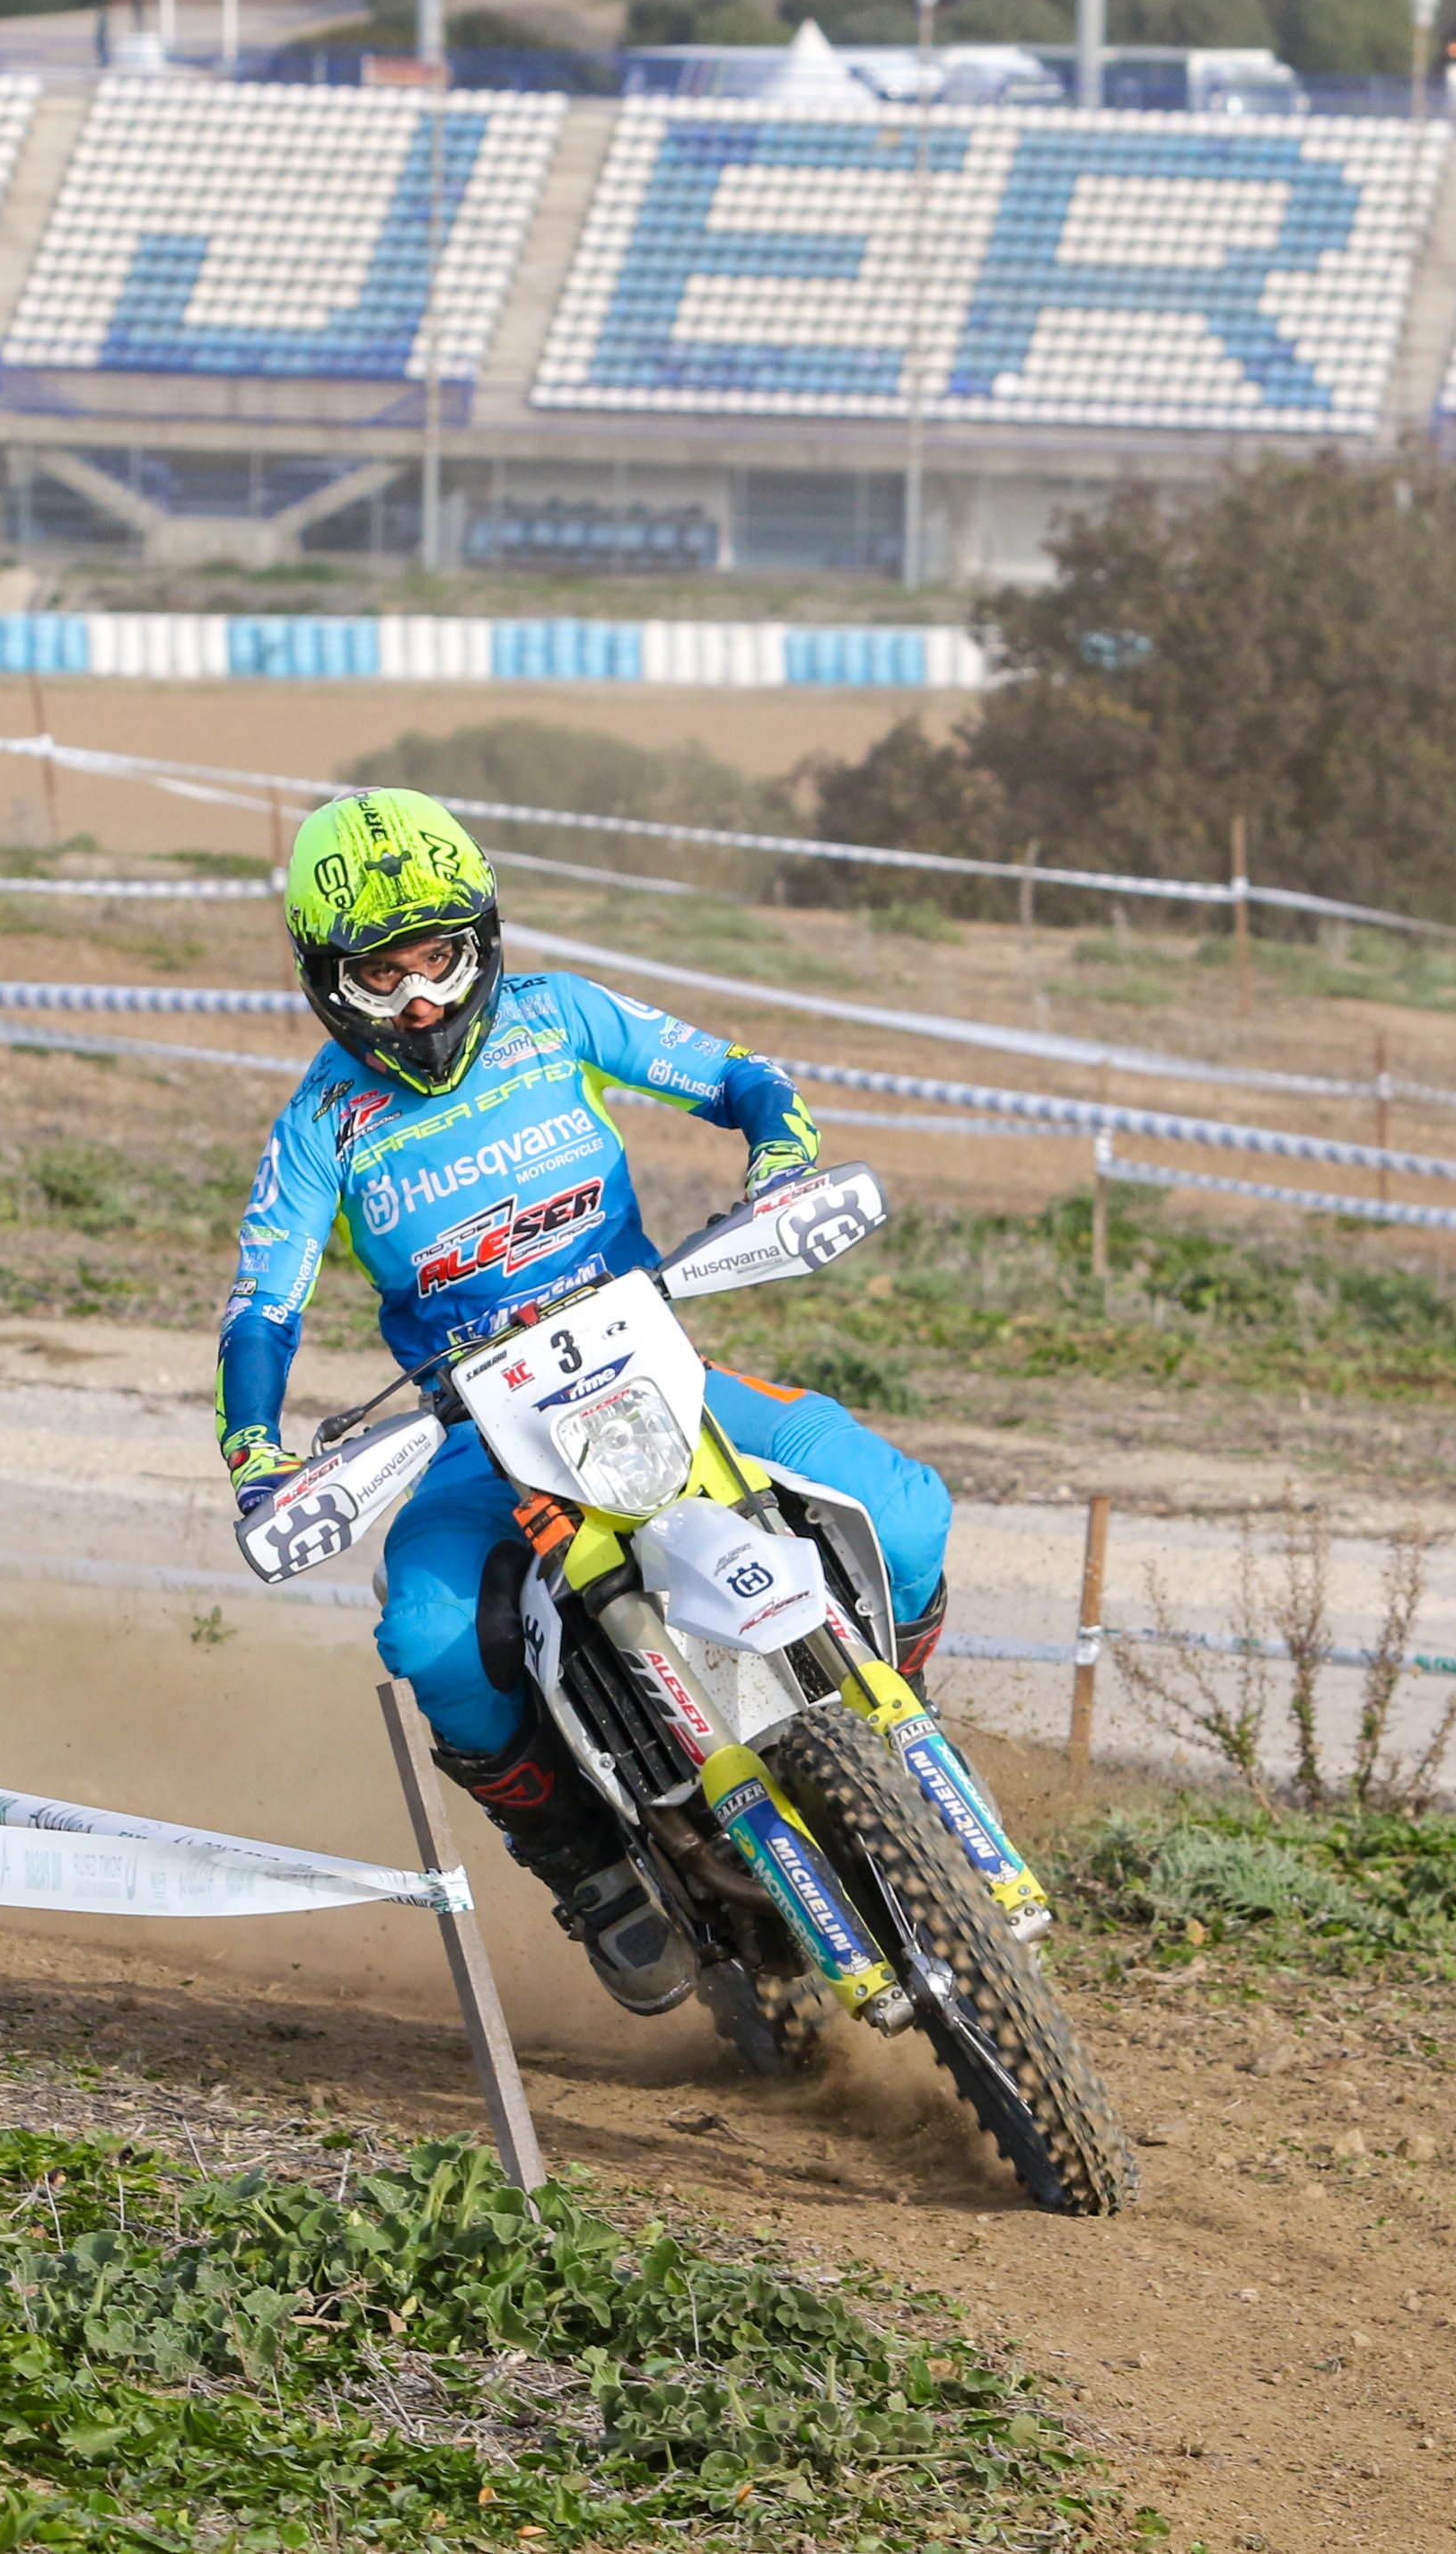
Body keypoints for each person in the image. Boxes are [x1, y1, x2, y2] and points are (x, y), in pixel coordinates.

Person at [217, 790, 954, 2007]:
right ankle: (586, 1870)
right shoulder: (321, 1129)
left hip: (655, 1371)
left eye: (440, 960)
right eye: (380, 976)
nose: (418, 1003)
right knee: (434, 1643)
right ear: (324, 980)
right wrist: (255, 1445)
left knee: (904, 1511)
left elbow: (742, 1080)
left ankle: (905, 1725)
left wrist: (780, 1153)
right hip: (474, 1436)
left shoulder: (560, 1018)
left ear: (482, 941)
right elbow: (264, 1310)